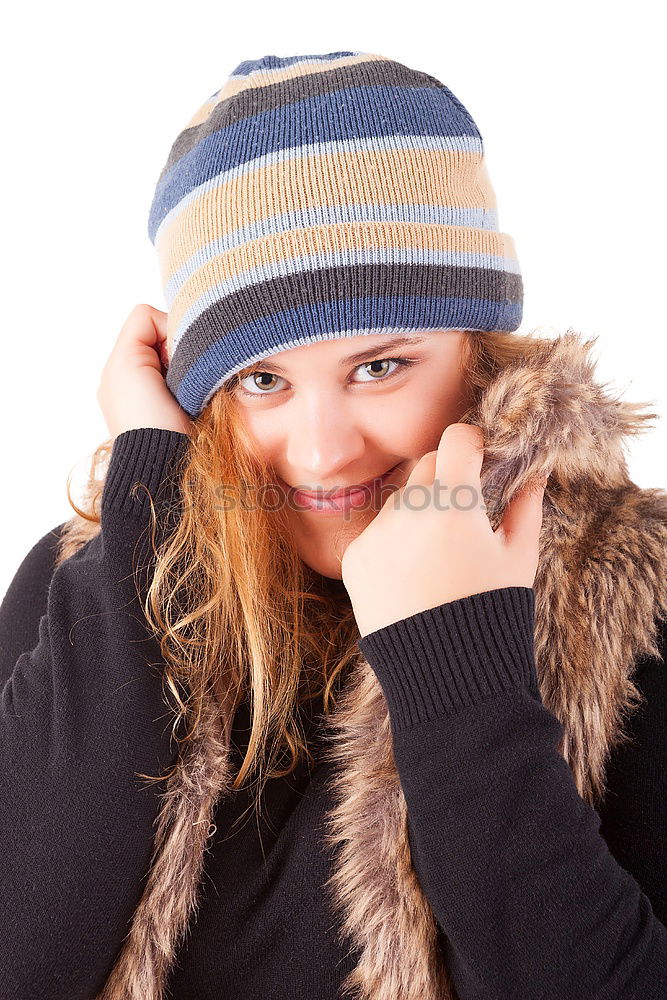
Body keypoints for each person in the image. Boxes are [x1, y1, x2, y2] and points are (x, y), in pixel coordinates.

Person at [1, 50, 666, 1000]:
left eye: (380, 366)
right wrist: (147, 509)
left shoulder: (632, 597)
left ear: (478, 351)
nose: (320, 453)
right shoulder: (99, 581)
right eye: (261, 380)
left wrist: (455, 669)